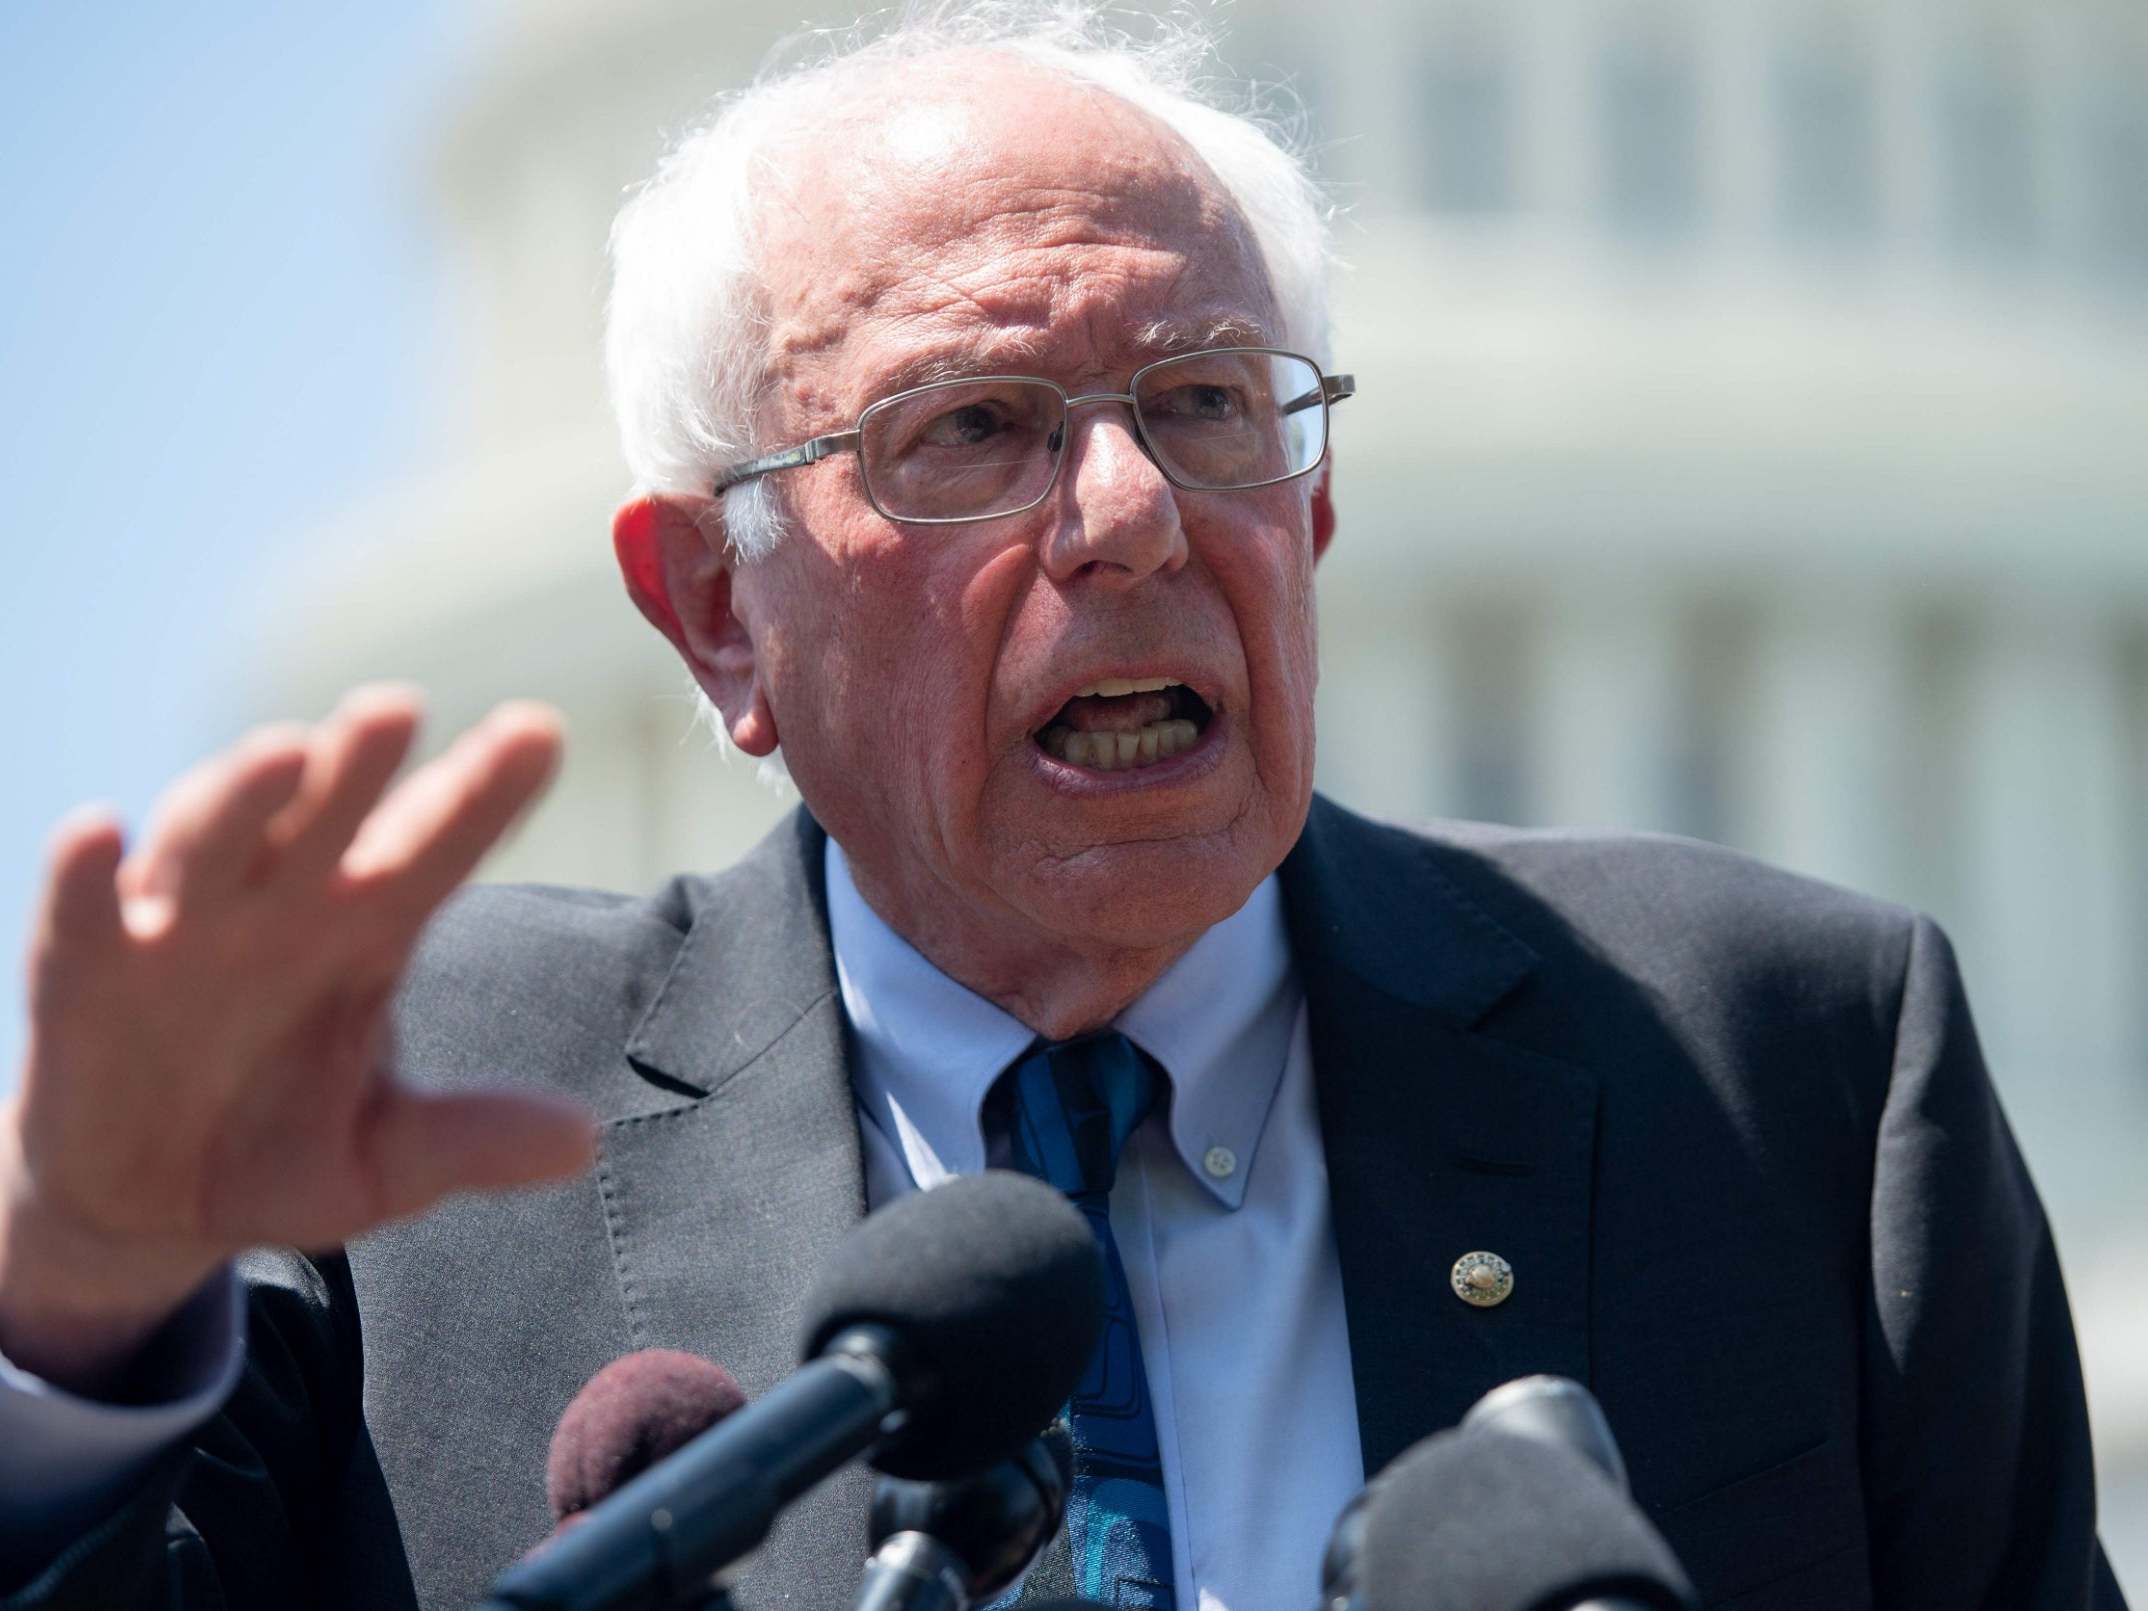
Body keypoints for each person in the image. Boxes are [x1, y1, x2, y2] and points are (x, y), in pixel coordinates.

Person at [0, 8, 2126, 1610]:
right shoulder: (406, 1117)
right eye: (978, 425)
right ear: (716, 614)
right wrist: (78, 1294)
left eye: (1204, 402)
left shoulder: (1780, 1074)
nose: (1129, 518)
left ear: (1313, 501)